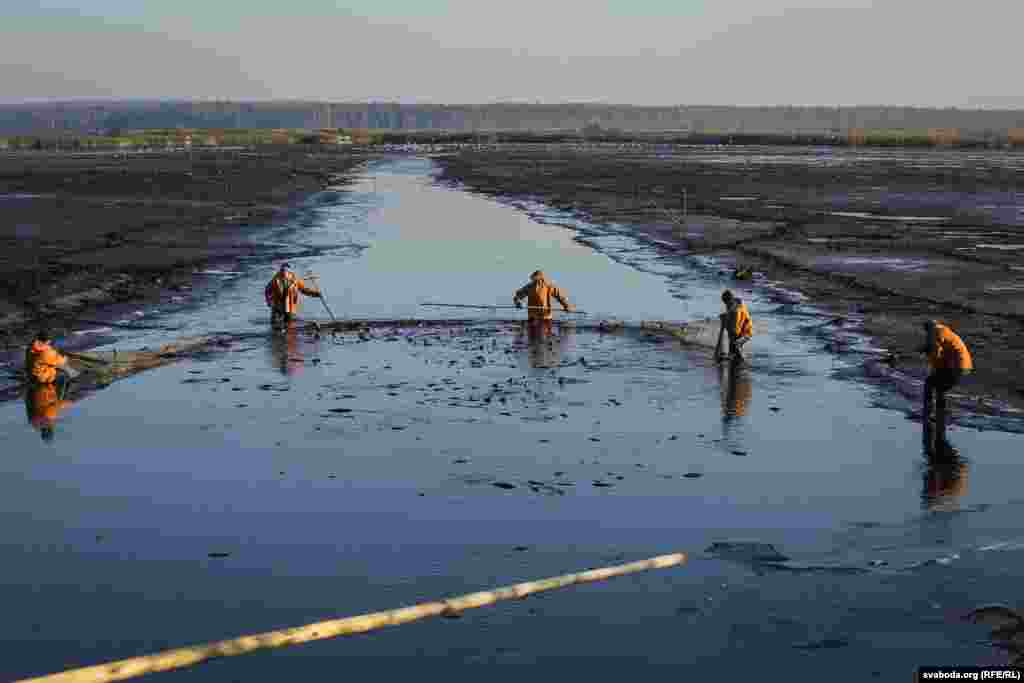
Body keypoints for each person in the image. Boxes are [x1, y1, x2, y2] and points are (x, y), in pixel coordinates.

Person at [918, 320, 972, 429]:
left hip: (958, 366)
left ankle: (931, 413)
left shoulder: (936, 333)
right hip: (962, 365)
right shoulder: (944, 332)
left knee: (933, 384)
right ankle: (938, 414)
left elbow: (936, 352)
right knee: (939, 386)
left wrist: (933, 364)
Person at [264, 263, 321, 329]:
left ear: (289, 272)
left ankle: (313, 325)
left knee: (290, 325)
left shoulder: (295, 280)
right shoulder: (275, 280)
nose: (284, 272)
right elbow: (267, 291)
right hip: (278, 307)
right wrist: (269, 301)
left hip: (290, 306)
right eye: (282, 270)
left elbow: (304, 290)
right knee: (275, 325)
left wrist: (315, 294)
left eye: (285, 271)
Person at [715, 290, 753, 363]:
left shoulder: (736, 312)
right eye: (725, 303)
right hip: (739, 332)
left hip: (745, 333)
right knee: (732, 352)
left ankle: (743, 361)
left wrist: (725, 322)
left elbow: (735, 331)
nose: (726, 305)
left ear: (730, 300)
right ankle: (733, 358)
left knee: (736, 345)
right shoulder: (734, 304)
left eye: (727, 302)